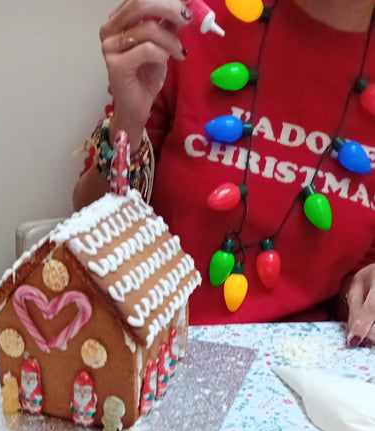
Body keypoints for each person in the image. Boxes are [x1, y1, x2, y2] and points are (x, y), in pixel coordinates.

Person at [73, 0, 375, 345]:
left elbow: (354, 282)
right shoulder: (196, 21)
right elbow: (90, 218)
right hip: (152, 346)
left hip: (304, 369)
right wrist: (128, 120)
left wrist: (364, 290)